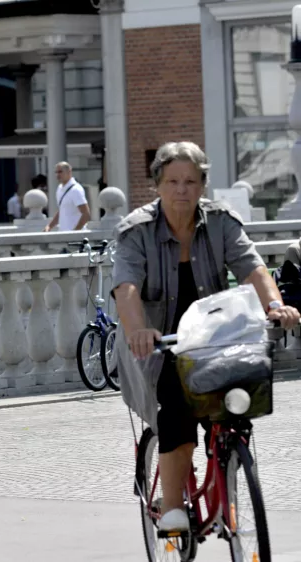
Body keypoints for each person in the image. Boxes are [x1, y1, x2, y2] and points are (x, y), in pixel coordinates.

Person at [112, 141, 300, 532]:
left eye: (191, 181)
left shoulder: (220, 221)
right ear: (158, 185)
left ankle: (230, 459)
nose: (182, 189)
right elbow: (126, 286)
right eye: (173, 181)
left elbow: (253, 268)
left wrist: (274, 307)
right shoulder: (137, 230)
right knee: (177, 410)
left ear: (202, 185)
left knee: (240, 395)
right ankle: (174, 505)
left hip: (213, 337)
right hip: (159, 344)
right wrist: (138, 331)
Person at [43, 162, 90, 232]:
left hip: (76, 237)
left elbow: (86, 214)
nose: (57, 175)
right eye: (56, 172)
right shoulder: (59, 188)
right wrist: (49, 226)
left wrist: (75, 232)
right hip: (63, 234)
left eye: (60, 172)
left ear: (69, 172)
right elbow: (62, 211)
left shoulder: (76, 190)